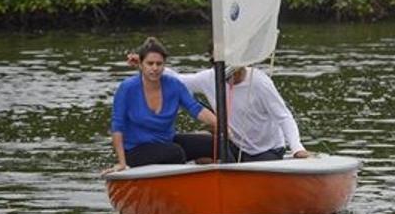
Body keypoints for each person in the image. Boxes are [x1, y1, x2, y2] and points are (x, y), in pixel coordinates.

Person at [127, 52, 310, 162]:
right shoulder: (211, 77)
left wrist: (297, 148)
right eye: (224, 74)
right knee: (191, 146)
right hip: (233, 146)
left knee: (231, 165)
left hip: (265, 151)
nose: (229, 79)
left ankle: (219, 164)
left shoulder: (260, 82)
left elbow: (284, 117)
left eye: (233, 73)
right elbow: (181, 82)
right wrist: (146, 66)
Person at [102, 37, 217, 175]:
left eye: (159, 64)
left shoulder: (174, 84)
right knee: (175, 153)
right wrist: (122, 163)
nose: (155, 68)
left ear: (164, 65)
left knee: (213, 143)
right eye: (150, 63)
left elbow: (196, 109)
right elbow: (117, 126)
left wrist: (222, 126)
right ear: (141, 65)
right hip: (135, 150)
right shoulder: (127, 88)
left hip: (166, 143)